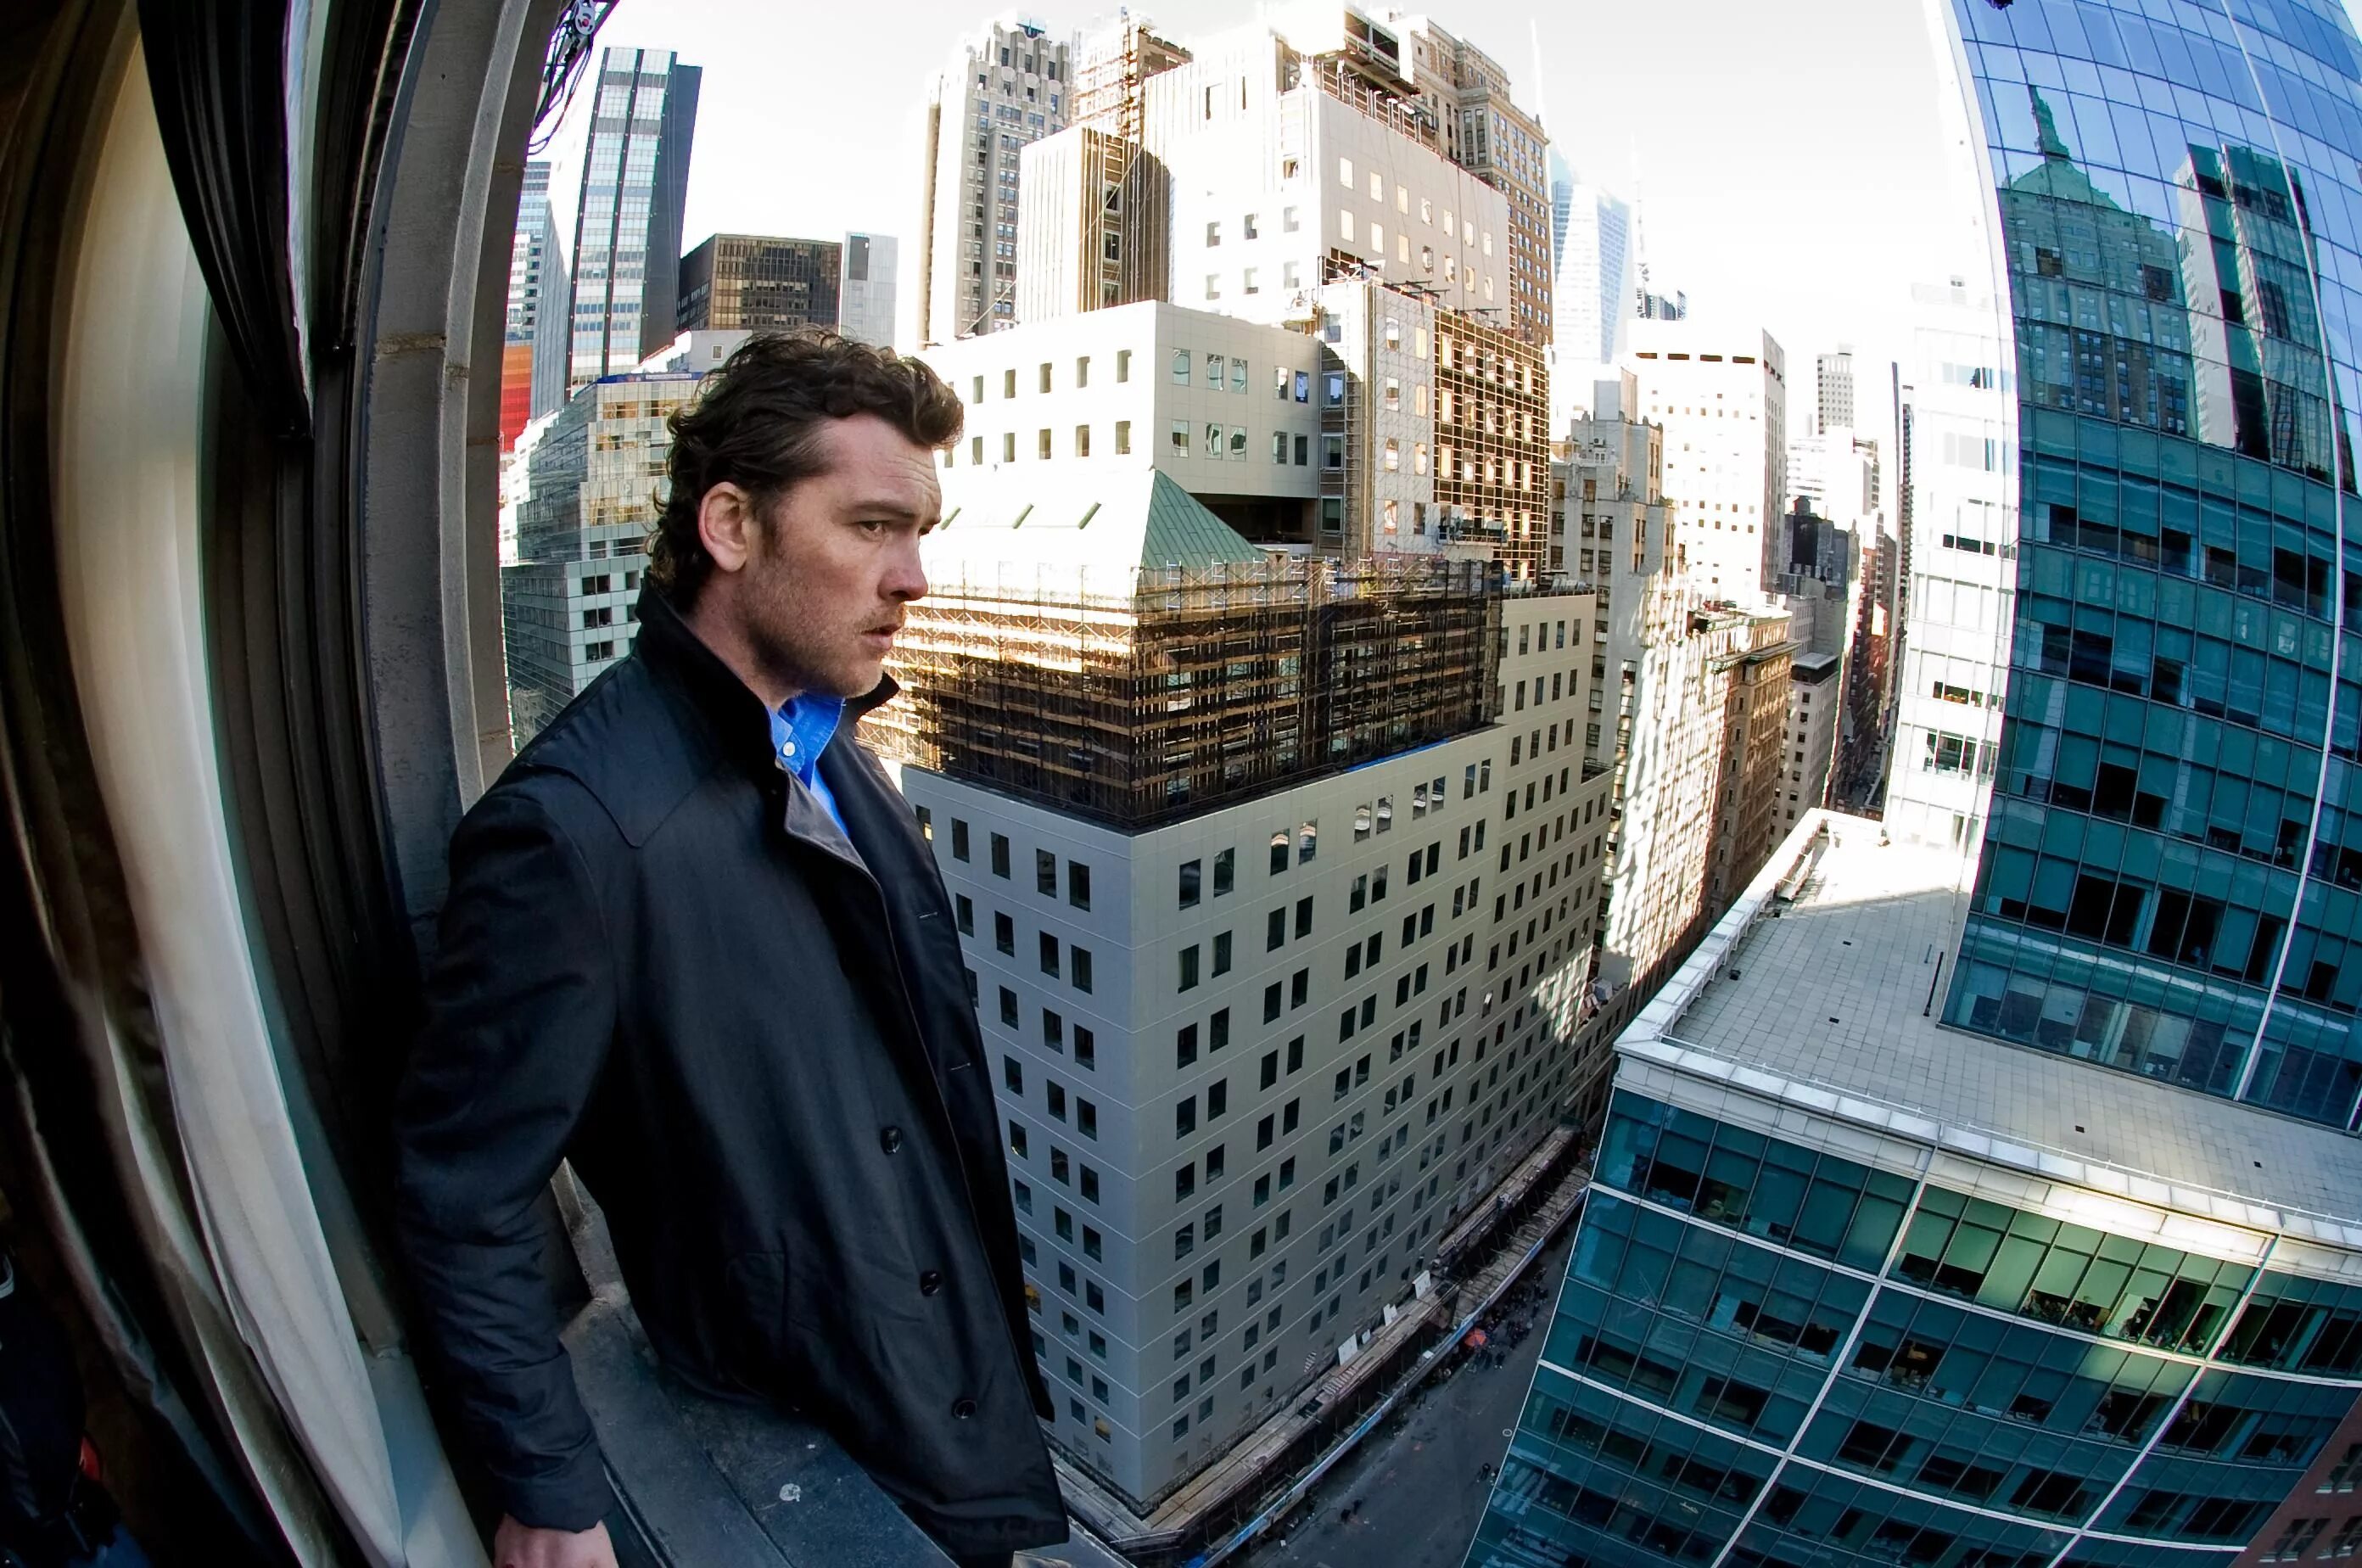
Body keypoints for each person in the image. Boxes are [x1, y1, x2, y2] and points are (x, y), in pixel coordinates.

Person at [392, 333, 1066, 1568]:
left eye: (920, 532)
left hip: (941, 1385)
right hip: (804, 1419)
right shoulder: (573, 833)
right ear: (731, 527)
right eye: (870, 527)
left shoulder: (832, 751)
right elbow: (464, 1190)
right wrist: (547, 1490)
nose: (914, 577)